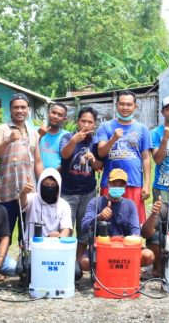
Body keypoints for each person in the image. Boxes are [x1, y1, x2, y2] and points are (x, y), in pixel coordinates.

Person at [0, 93, 44, 242]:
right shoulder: (0, 129)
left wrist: (43, 183)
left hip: (29, 193)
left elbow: (38, 162)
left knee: (27, 235)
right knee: (3, 235)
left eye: (23, 107)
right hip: (7, 192)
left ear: (28, 109)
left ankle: (25, 264)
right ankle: (1, 263)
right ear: (10, 109)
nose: (19, 110)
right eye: (16, 107)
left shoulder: (34, 133)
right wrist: (7, 140)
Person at [79, 169, 155, 271]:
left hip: (124, 248)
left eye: (121, 185)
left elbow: (135, 230)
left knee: (148, 255)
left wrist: (132, 239)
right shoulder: (96, 202)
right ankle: (105, 271)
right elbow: (84, 226)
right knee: (85, 263)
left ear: (125, 186)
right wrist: (99, 217)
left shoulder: (130, 205)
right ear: (108, 183)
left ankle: (125, 270)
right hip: (102, 248)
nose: (117, 187)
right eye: (114, 184)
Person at [96, 90, 152, 223]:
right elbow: (101, 152)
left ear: (135, 107)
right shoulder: (105, 126)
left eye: (129, 104)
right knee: (107, 221)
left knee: (133, 223)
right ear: (116, 105)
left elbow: (146, 157)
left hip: (134, 183)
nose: (125, 108)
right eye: (122, 104)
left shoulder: (142, 128)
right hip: (110, 183)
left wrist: (147, 184)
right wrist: (113, 138)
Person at [59, 107, 104, 262]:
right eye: (83, 121)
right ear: (77, 121)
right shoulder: (67, 137)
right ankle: (65, 260)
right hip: (67, 192)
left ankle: (77, 262)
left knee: (84, 229)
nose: (86, 124)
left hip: (88, 192)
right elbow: (64, 155)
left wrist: (93, 160)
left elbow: (99, 167)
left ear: (94, 124)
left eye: (89, 122)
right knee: (66, 227)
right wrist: (74, 141)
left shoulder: (96, 142)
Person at [18, 168, 72, 242]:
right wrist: (24, 193)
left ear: (58, 186)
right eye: (46, 184)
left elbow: (66, 229)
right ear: (40, 184)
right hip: (31, 246)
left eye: (53, 185)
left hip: (53, 246)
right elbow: (22, 203)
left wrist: (59, 237)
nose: (49, 188)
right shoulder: (32, 198)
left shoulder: (64, 205)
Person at [38, 102, 68, 170]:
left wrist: (54, 174)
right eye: (53, 112)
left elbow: (67, 160)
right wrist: (40, 136)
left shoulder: (67, 136)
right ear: (48, 113)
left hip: (57, 177)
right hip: (37, 176)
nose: (55, 116)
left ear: (65, 119)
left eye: (60, 115)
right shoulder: (37, 131)